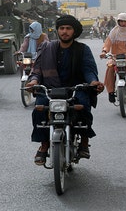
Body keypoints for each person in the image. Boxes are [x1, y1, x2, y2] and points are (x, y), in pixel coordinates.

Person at [25, 14, 104, 165]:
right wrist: (33, 81)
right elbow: (37, 70)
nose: (64, 31)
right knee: (39, 109)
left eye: (68, 28)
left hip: (76, 89)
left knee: (83, 106)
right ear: (57, 31)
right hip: (50, 90)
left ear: (74, 32)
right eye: (61, 28)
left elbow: (89, 70)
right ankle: (44, 145)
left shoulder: (83, 49)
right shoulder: (46, 47)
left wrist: (93, 82)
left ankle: (84, 142)